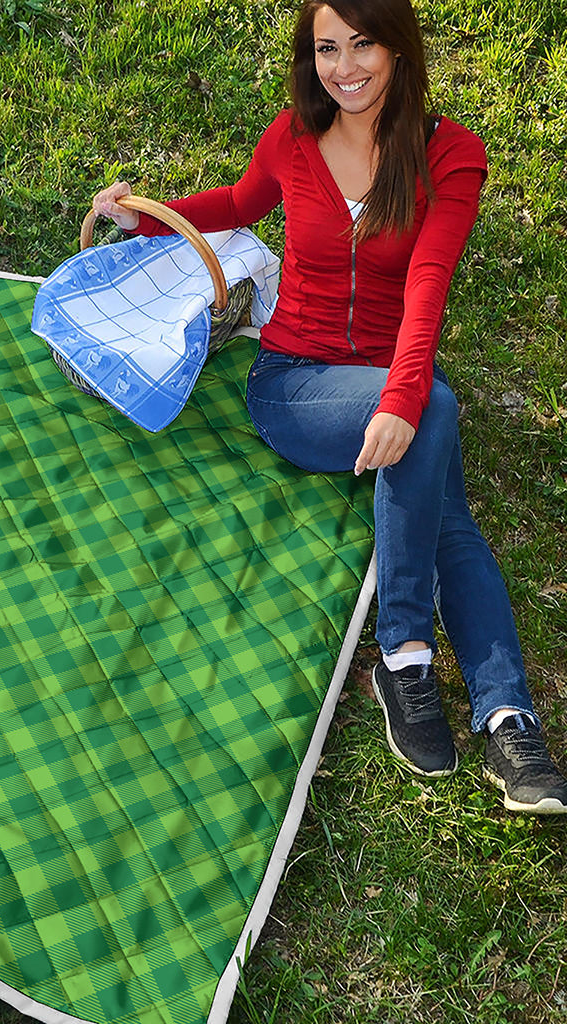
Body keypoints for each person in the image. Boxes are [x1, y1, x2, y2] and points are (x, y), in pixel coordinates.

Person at [92, 0, 567, 814]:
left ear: (398, 48)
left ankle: (501, 713)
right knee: (437, 418)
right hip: (294, 383)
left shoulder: (450, 156)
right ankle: (412, 655)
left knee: (441, 478)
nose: (344, 67)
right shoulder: (293, 137)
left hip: (387, 376)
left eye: (362, 45)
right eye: (326, 48)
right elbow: (239, 204)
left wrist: (403, 396)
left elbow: (428, 284)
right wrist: (146, 220)